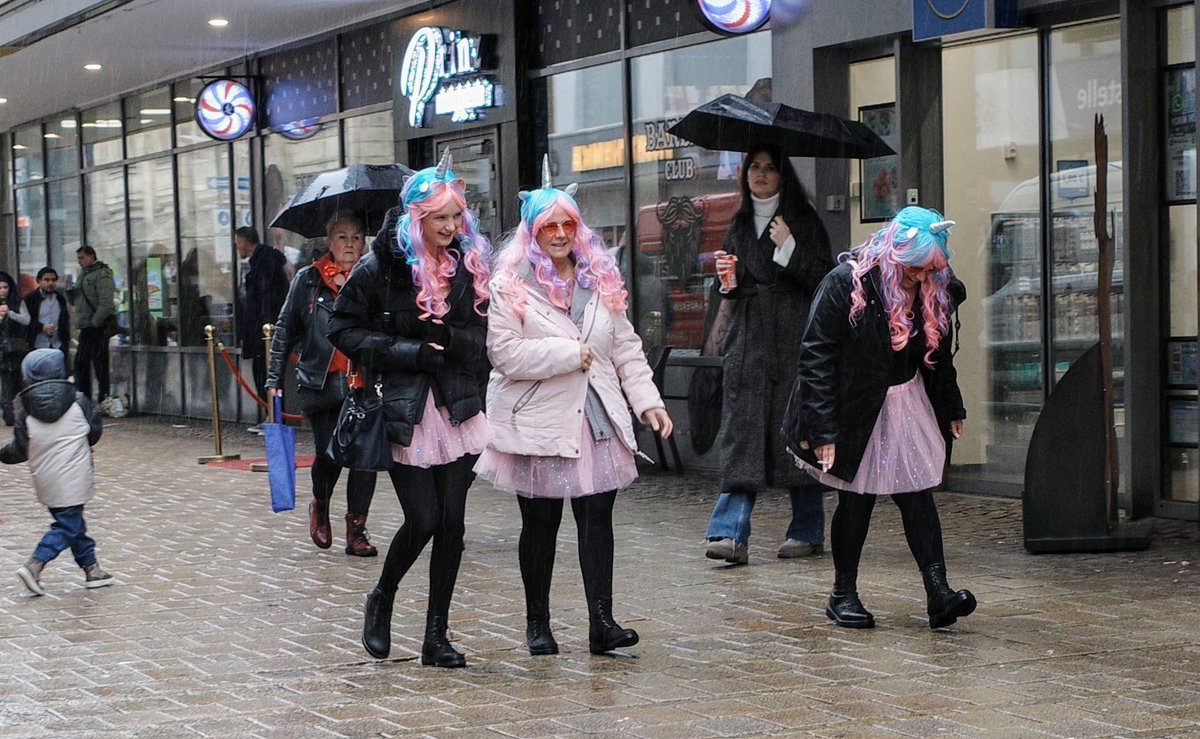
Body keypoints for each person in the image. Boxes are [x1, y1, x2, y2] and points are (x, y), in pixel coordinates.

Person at [475, 160, 673, 657]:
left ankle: (601, 623)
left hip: (596, 416)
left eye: (568, 225)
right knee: (540, 522)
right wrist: (569, 354)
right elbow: (505, 355)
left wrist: (648, 401)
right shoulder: (509, 285)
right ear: (533, 232)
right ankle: (537, 624)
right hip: (538, 419)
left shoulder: (599, 277)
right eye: (550, 226)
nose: (561, 235)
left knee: (597, 517)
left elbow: (625, 346)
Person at [328, 150, 492, 668]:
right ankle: (382, 596)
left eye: (454, 216)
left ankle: (435, 636)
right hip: (405, 408)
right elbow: (343, 329)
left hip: (458, 404)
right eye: (438, 217)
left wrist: (455, 343)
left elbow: (484, 332)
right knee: (422, 519)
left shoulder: (467, 262)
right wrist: (410, 351)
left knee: (453, 525)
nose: (449, 226)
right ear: (416, 217)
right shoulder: (381, 266)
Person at [782, 205, 974, 630]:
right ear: (894, 252)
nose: (920, 278)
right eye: (914, 268)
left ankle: (938, 592)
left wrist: (952, 406)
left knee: (917, 494)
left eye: (928, 270)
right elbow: (815, 356)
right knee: (857, 497)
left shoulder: (935, 287)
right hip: (853, 405)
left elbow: (938, 356)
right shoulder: (845, 283)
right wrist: (823, 429)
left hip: (906, 401)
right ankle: (842, 594)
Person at [703, 144, 833, 565]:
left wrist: (791, 248)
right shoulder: (739, 224)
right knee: (743, 434)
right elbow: (736, 285)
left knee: (797, 433)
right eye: (754, 167)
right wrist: (727, 282)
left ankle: (808, 529)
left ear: (782, 175)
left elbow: (823, 279)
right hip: (750, 341)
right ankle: (729, 533)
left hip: (793, 338)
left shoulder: (805, 222)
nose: (760, 174)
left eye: (770, 168)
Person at [266, 212, 378, 557]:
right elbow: (285, 330)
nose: (350, 244)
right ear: (329, 243)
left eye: (356, 237)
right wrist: (273, 379)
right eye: (342, 237)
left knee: (365, 458)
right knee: (329, 454)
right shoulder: (308, 280)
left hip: (365, 382)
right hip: (323, 382)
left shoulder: (373, 277)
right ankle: (321, 504)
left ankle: (357, 529)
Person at [4, 348, 112, 595]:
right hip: (75, 473)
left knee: (71, 521)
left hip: (45, 477)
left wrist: (3, 454)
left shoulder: (25, 410)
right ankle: (35, 564)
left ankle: (91, 569)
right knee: (68, 526)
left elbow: (20, 450)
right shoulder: (79, 400)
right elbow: (93, 432)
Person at [235, 226, 290, 432]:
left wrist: (265, 328)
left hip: (264, 331)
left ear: (244, 241)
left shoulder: (263, 262)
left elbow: (266, 298)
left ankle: (275, 417)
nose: (237, 247)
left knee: (266, 374)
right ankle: (272, 415)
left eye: (237, 242)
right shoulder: (264, 260)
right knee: (265, 373)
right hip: (262, 329)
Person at [73, 245, 116, 402]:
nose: (80, 262)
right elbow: (78, 298)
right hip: (86, 325)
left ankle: (103, 399)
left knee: (100, 364)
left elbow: (106, 303)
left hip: (97, 326)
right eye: (78, 258)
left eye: (82, 258)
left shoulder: (102, 274)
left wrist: (95, 322)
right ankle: (84, 397)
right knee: (81, 363)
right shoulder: (83, 274)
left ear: (91, 256)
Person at [0, 270, 32, 426]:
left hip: (17, 349)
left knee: (19, 382)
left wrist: (11, 313)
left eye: (5, 287)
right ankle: (8, 413)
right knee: (5, 382)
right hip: (2, 352)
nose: (3, 291)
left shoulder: (18, 302)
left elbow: (26, 320)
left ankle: (18, 410)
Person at [24, 267, 70, 362]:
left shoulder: (59, 299)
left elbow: (65, 321)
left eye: (53, 280)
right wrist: (42, 327)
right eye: (46, 280)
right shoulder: (31, 299)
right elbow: (25, 322)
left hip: (58, 345)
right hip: (38, 345)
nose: (50, 283)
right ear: (39, 281)